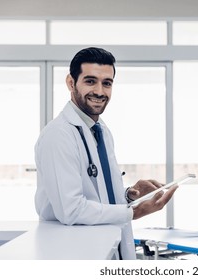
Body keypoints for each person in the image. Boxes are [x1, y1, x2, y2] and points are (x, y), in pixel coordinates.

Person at [34, 47, 177, 260]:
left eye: (107, 83)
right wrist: (135, 212)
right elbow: (71, 210)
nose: (100, 91)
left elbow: (97, 193)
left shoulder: (101, 131)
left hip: (109, 249)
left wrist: (130, 195)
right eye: (90, 81)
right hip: (78, 253)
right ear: (71, 83)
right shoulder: (58, 136)